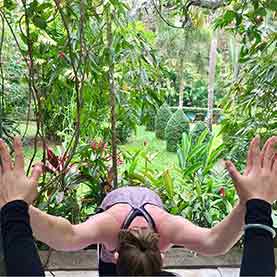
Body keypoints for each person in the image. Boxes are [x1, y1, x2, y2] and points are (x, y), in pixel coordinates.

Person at [0, 136, 276, 276]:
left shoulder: (109, 228)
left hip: (121, 217)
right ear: (163, 257)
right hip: (136, 214)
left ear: (114, 257)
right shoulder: (166, 229)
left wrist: (18, 207)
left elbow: (68, 236)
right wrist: (249, 204)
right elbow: (214, 242)